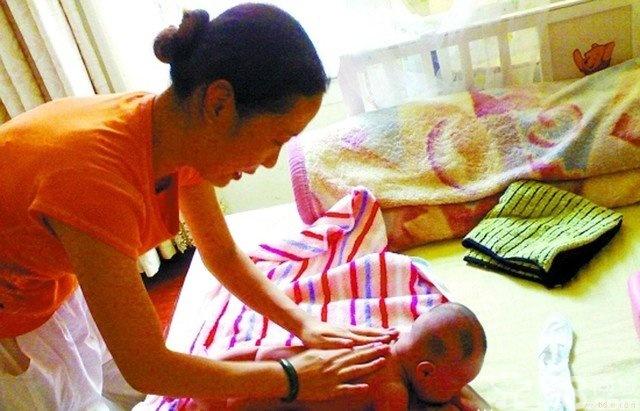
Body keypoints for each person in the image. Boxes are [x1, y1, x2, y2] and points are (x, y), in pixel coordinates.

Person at [0, 4, 398, 410]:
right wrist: (291, 379)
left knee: (115, 381)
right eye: (276, 140)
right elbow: (146, 367)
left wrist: (304, 323)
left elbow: (221, 253)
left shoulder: (174, 132)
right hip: (10, 313)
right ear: (219, 103)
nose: (271, 162)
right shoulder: (98, 181)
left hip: (44, 278)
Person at [193, 302, 489, 411]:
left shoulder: (386, 336)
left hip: (271, 357)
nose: (458, 393)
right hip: (271, 399)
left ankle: (207, 372)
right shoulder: (393, 393)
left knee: (256, 356)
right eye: (457, 385)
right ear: (424, 371)